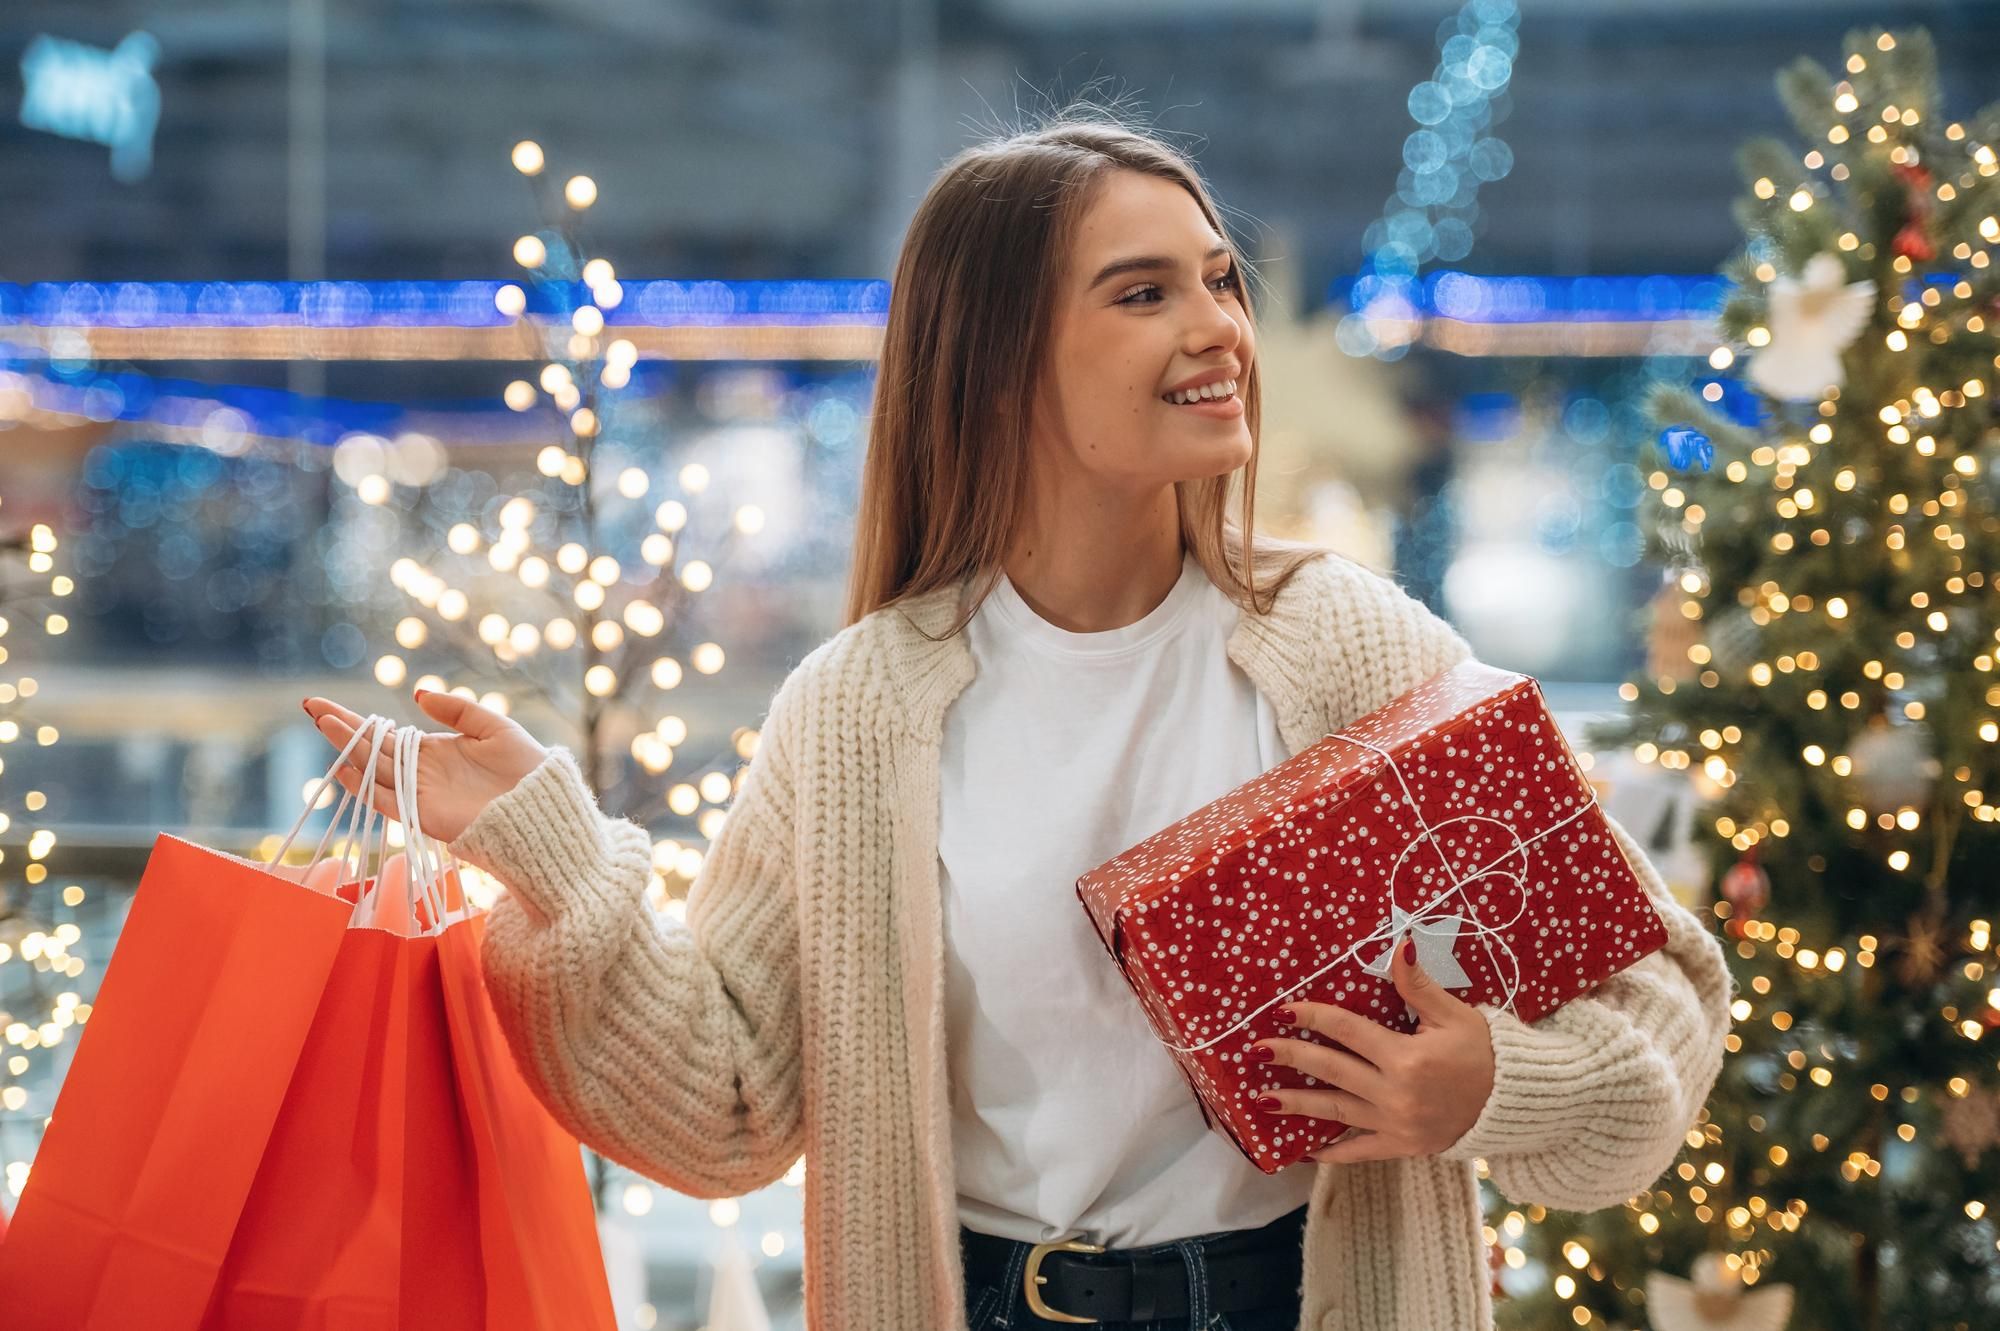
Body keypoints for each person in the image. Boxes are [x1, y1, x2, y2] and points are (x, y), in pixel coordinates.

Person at [302, 105, 1733, 1331]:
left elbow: (1660, 1001)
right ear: (995, 361)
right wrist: (548, 850)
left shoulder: (1346, 647)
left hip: (1298, 1294)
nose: (1220, 328)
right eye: (1143, 292)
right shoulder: (863, 707)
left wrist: (1491, 1086)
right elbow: (730, 1104)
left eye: (1219, 281)